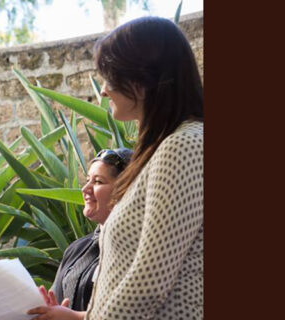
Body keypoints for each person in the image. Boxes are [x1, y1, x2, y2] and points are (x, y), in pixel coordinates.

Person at [82, 16, 203, 320]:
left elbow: (149, 283)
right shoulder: (166, 147)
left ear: (142, 82)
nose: (104, 91)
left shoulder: (183, 146)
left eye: (110, 78)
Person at [26, 148, 133, 320]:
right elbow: (58, 302)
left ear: (125, 190)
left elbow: (135, 312)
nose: (85, 189)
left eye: (98, 182)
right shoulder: (77, 249)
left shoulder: (140, 250)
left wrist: (75, 317)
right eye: (88, 180)